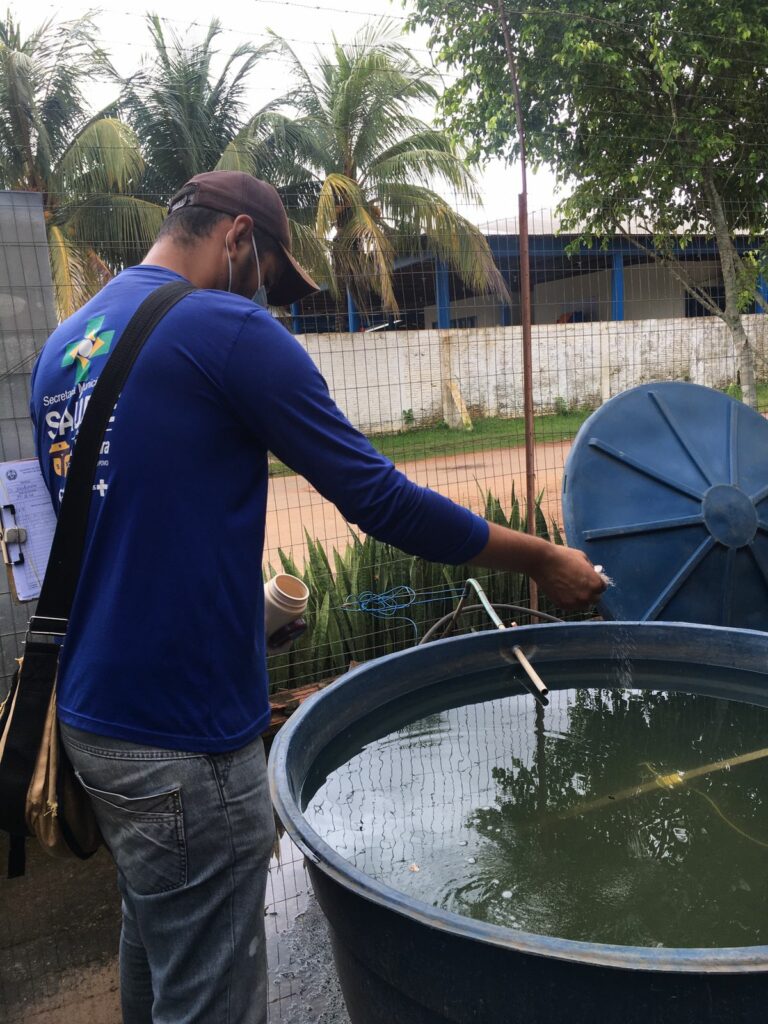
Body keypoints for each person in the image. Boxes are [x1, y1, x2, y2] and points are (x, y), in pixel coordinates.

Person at [29, 171, 605, 1024]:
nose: (271, 303)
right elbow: (380, 502)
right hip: (185, 737)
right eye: (268, 278)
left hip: (92, 721)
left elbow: (126, 542)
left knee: (156, 937)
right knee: (212, 993)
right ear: (235, 240)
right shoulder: (223, 329)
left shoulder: (64, 348)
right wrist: (539, 557)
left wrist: (243, 621)